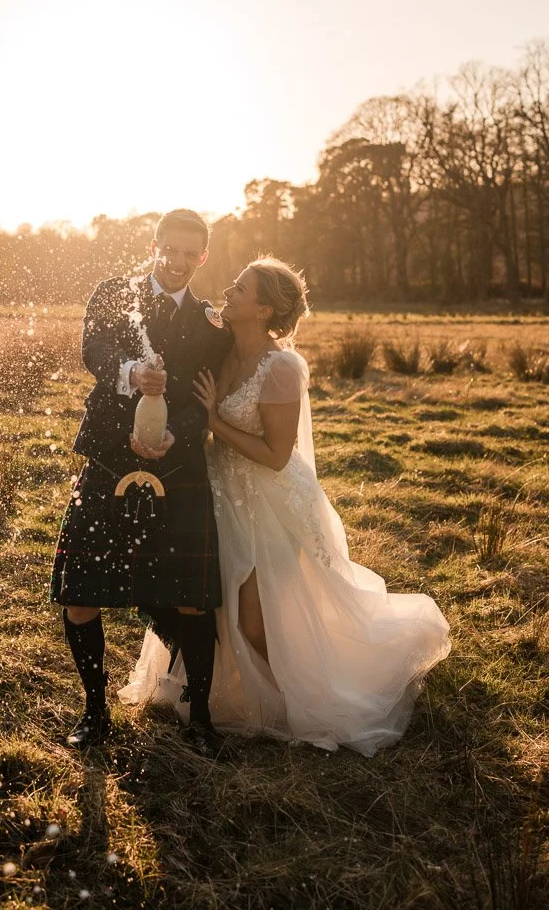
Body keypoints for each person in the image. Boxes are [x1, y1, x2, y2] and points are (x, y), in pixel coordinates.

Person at [119, 257, 451, 755]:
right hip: (218, 492)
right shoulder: (221, 346)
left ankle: (303, 701)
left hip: (267, 499)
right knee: (217, 604)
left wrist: (213, 420)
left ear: (264, 308)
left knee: (254, 618)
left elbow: (276, 456)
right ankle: (217, 694)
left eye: (240, 289)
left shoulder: (281, 368)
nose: (228, 292)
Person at [50, 209, 232, 755]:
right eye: (168, 250)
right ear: (155, 245)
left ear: (203, 257)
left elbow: (205, 401)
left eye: (189, 254)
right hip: (108, 458)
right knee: (81, 595)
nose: (177, 263)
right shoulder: (112, 293)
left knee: (193, 600)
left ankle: (199, 718)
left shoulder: (209, 323)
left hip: (178, 470)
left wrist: (175, 434)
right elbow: (94, 352)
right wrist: (131, 374)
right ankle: (94, 712)